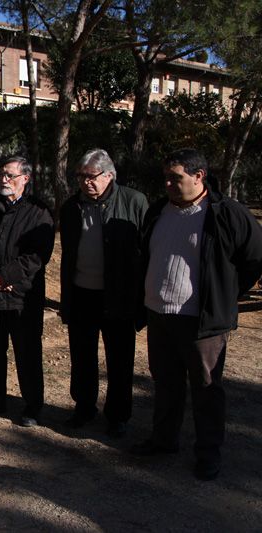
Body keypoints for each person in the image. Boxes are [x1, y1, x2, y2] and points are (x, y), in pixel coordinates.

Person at [132, 148, 262, 481]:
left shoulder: (225, 213)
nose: (168, 183)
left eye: (175, 177)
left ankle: (208, 453)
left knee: (205, 388)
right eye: (166, 177)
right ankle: (164, 440)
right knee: (166, 383)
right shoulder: (160, 210)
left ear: (199, 176)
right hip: (160, 314)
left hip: (200, 322)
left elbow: (253, 259)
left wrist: (225, 296)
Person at [59, 149, 148, 438]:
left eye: (91, 176)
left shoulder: (134, 202)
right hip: (82, 293)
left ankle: (118, 416)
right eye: (80, 176)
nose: (85, 182)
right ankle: (84, 408)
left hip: (118, 297)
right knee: (82, 356)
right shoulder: (72, 207)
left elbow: (146, 251)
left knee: (119, 359)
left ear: (109, 175)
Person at [0, 156, 54, 427]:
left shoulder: (39, 212)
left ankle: (32, 406)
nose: (3, 180)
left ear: (25, 179)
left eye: (10, 176)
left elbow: (38, 255)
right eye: (1, 175)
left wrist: (5, 276)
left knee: (27, 351)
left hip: (22, 296)